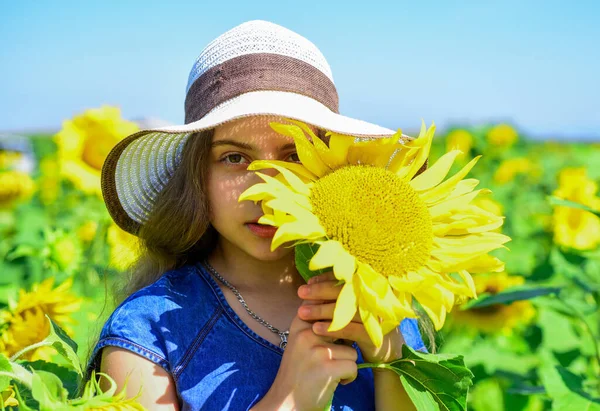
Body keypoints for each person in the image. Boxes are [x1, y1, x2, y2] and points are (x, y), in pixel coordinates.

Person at [84, 20, 430, 410]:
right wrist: (289, 400)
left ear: (335, 171)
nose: (266, 190)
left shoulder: (378, 301)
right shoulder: (149, 333)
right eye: (234, 158)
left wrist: (394, 365)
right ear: (198, 176)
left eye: (295, 156)